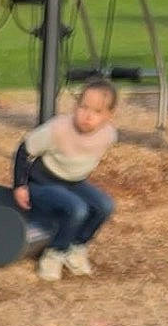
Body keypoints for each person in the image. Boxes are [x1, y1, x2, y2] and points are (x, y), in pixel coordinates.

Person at [12, 78, 118, 282]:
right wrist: (20, 186)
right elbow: (24, 150)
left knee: (105, 205)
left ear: (109, 116)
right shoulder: (58, 129)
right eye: (83, 107)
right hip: (42, 182)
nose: (87, 116)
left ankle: (76, 246)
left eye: (97, 112)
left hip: (72, 182)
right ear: (75, 106)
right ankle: (54, 253)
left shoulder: (108, 135)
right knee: (78, 209)